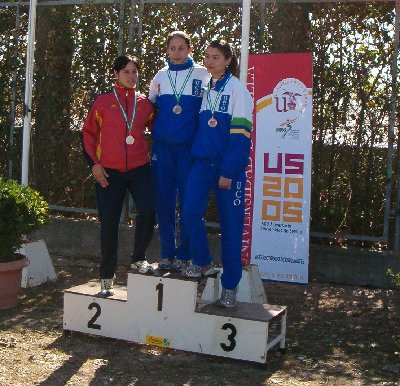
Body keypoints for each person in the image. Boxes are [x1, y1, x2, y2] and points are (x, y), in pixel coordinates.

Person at [181, 40, 253, 308]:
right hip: (201, 164)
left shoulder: (238, 91)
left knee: (231, 228)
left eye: (216, 57)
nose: (210, 62)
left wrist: (230, 171)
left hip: (226, 170)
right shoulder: (206, 88)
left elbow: (242, 136)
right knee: (189, 210)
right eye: (207, 57)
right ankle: (202, 261)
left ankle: (230, 287)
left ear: (227, 60)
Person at [82, 55, 156, 296]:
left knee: (148, 209)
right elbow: (87, 135)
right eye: (126, 71)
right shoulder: (103, 102)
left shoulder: (145, 103)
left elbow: (160, 130)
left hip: (139, 168)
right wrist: (94, 164)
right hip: (109, 171)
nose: (131, 76)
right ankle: (106, 275)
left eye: (134, 72)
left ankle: (138, 257)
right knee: (110, 224)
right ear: (116, 74)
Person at [149, 31, 210, 272]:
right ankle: (167, 254)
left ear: (190, 50)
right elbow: (151, 108)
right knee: (163, 202)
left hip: (188, 150)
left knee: (188, 203)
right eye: (172, 48)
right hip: (162, 149)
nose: (177, 53)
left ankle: (184, 254)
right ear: (166, 50)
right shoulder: (160, 76)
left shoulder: (202, 75)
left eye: (181, 48)